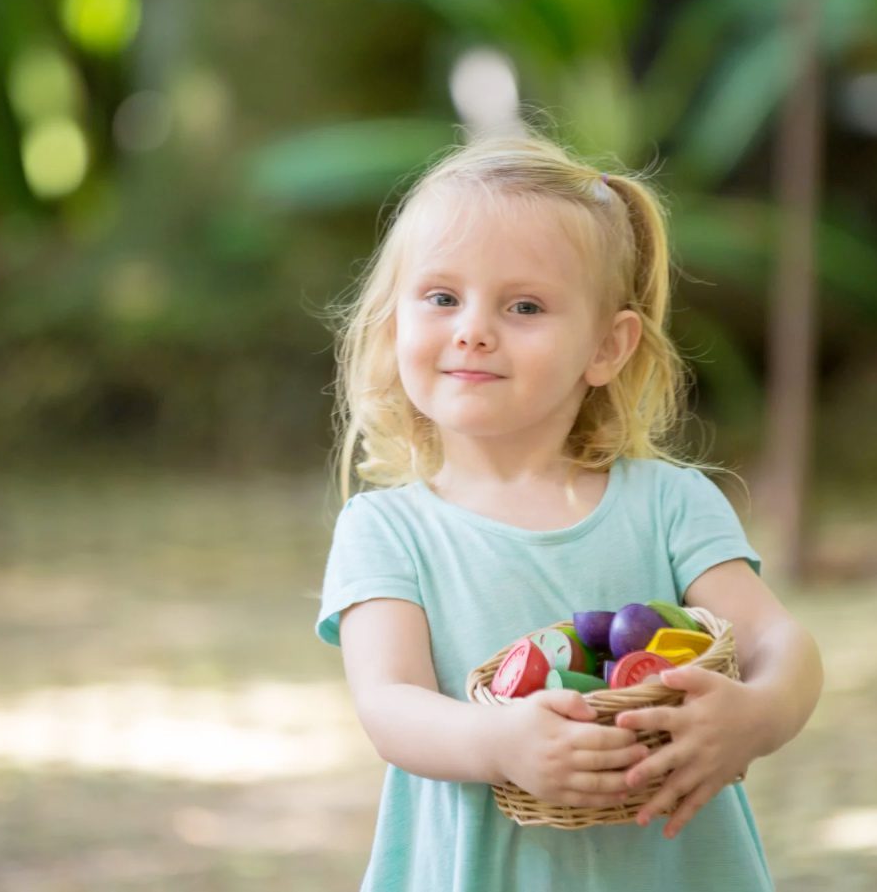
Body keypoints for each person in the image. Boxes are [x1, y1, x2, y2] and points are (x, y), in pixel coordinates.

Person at [314, 131, 823, 891]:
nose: (472, 328)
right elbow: (390, 704)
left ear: (607, 347)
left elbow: (780, 642)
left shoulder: (670, 504)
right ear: (395, 325)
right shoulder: (386, 529)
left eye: (524, 305)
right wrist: (499, 743)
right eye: (442, 297)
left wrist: (757, 714)